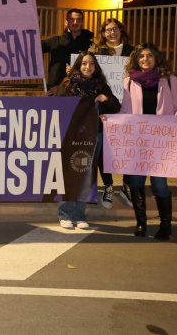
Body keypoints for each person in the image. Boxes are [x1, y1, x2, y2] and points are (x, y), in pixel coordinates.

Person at [120, 43, 177, 241]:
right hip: (138, 140)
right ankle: (141, 223)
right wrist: (110, 120)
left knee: (159, 184)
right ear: (136, 59)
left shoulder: (169, 80)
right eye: (142, 56)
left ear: (156, 58)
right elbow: (125, 110)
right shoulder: (129, 81)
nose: (145, 59)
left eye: (149, 56)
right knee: (136, 182)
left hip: (160, 141)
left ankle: (165, 226)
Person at [54, 52, 120, 229]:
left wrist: (106, 99)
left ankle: (79, 215)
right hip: (71, 135)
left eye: (91, 64)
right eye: (84, 63)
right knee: (70, 173)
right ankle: (65, 214)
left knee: (86, 175)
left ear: (95, 67)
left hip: (93, 136)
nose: (87, 67)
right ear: (78, 65)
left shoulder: (100, 86)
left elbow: (116, 107)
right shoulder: (67, 84)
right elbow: (58, 108)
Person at [89, 17, 135, 209]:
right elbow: (87, 70)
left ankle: (126, 185)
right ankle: (108, 185)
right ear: (103, 33)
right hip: (106, 106)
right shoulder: (97, 52)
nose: (112, 32)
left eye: (115, 28)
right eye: (108, 30)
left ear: (121, 30)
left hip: (129, 105)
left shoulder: (132, 52)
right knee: (103, 149)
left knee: (127, 148)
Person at [41, 8, 94, 90]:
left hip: (80, 88)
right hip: (56, 89)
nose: (75, 22)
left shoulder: (90, 45)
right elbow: (34, 47)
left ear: (82, 22)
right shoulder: (55, 41)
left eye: (78, 20)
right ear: (66, 22)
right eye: (72, 19)